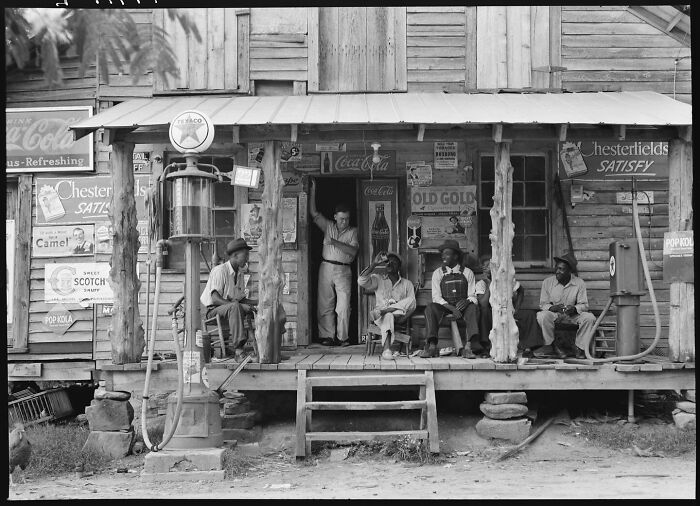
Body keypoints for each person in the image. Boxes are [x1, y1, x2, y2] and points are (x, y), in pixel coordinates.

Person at [309, 178, 359, 347]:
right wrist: (313, 190)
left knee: (343, 305)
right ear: (335, 217)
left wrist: (335, 243)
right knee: (325, 304)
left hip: (344, 269)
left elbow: (353, 251)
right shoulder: (329, 226)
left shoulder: (353, 231)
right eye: (342, 218)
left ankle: (343, 337)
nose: (344, 222)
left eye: (347, 219)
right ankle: (327, 336)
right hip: (326, 266)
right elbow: (314, 213)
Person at [200, 238, 258, 361]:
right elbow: (215, 299)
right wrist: (240, 306)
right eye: (245, 255)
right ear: (235, 255)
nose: (247, 258)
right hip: (213, 311)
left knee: (244, 306)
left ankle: (261, 349)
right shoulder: (220, 270)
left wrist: (260, 302)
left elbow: (241, 299)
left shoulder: (240, 273)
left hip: (230, 309)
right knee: (235, 306)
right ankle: (239, 351)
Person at [420, 239, 480, 359]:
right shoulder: (438, 273)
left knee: (473, 308)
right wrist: (452, 308)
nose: (443, 256)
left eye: (447, 254)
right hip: (445, 307)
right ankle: (432, 346)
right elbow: (436, 297)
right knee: (430, 308)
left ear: (456, 256)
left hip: (462, 307)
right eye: (442, 254)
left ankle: (468, 347)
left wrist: (467, 301)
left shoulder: (468, 273)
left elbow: (473, 295)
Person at [475, 255, 544, 356]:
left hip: (508, 311)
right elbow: (483, 304)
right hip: (492, 313)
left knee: (529, 314)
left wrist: (516, 308)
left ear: (496, 266)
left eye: (487, 265)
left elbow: (521, 290)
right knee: (484, 313)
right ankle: (486, 347)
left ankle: (529, 348)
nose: (484, 268)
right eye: (483, 266)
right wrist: (492, 284)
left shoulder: (507, 280)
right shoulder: (482, 283)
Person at [535, 252, 596, 359]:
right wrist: (552, 308)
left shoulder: (579, 283)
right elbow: (543, 304)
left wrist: (575, 308)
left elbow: (584, 305)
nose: (557, 271)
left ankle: (580, 349)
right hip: (555, 315)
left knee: (589, 318)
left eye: (561, 269)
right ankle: (551, 346)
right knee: (542, 315)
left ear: (569, 271)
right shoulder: (547, 282)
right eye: (556, 268)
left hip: (572, 316)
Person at [358, 251, 416, 360]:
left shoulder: (407, 283)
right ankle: (386, 350)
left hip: (398, 315)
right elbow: (361, 281)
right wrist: (374, 264)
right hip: (381, 317)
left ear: (399, 266)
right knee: (388, 315)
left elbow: (412, 305)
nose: (389, 264)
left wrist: (404, 318)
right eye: (387, 262)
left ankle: (386, 310)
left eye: (393, 262)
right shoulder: (378, 279)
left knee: (411, 300)